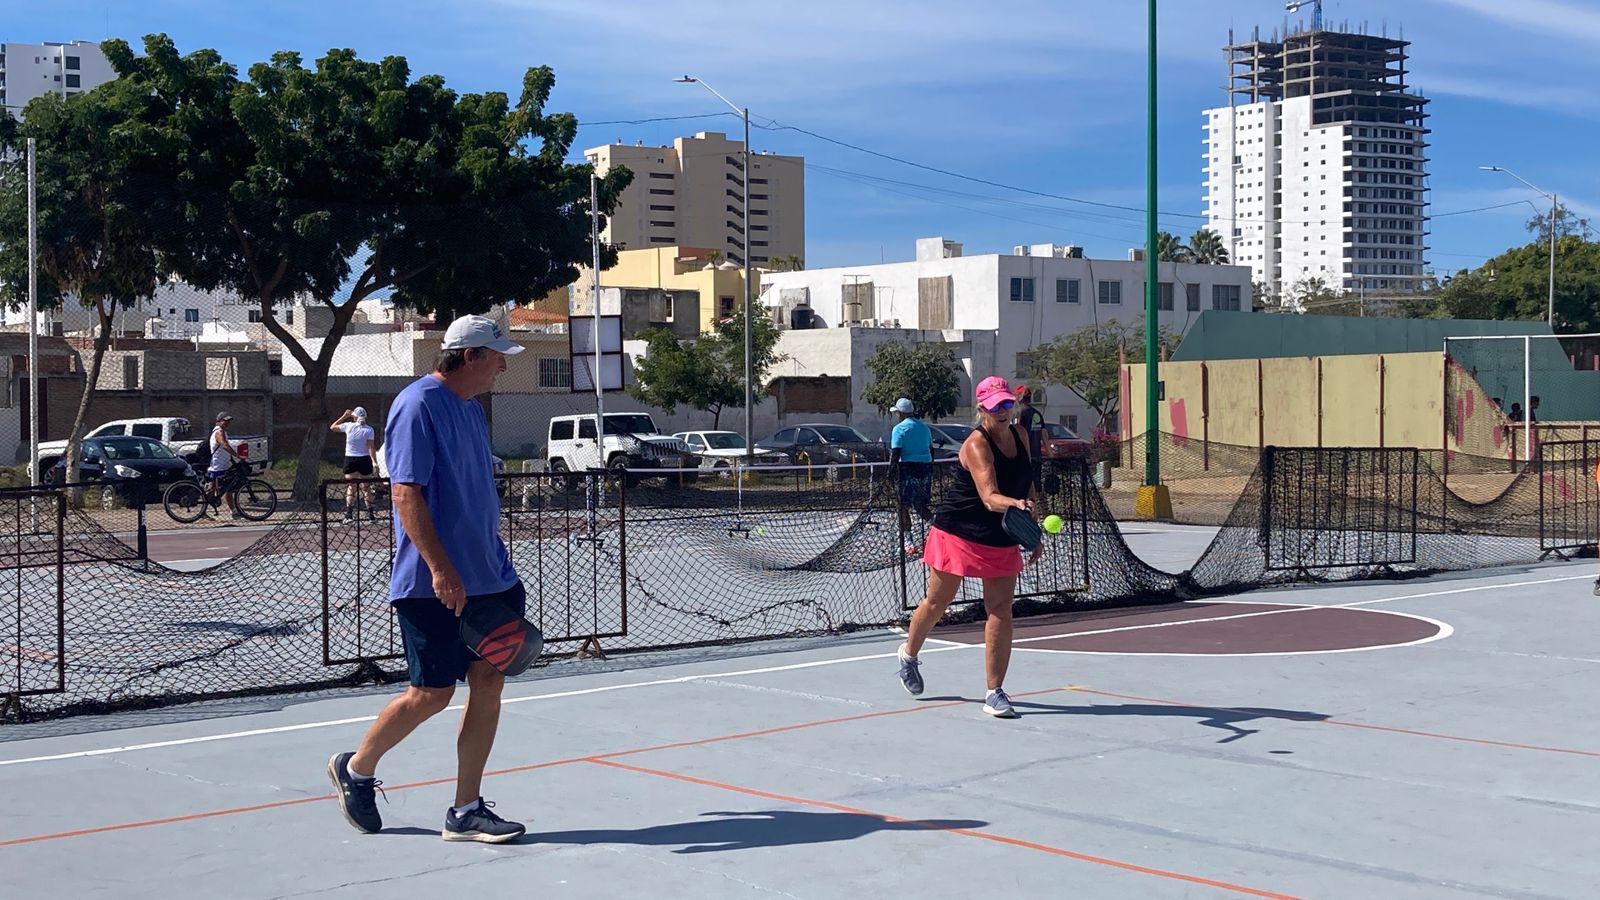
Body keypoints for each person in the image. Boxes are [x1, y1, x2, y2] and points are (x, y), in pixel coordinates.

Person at [328, 314, 528, 843]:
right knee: (432, 693)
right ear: (469, 357)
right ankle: (356, 769)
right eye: (496, 356)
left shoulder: (470, 410)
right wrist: (441, 569)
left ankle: (465, 810)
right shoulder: (416, 405)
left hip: (491, 576)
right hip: (431, 583)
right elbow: (404, 494)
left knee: (489, 681)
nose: (502, 366)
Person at [896, 376, 1041, 719]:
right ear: (982, 410)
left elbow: (1027, 482)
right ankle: (908, 655)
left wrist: (1033, 530)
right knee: (937, 602)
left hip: (1001, 534)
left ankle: (994, 692)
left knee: (1001, 609)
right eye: (996, 407)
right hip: (958, 532)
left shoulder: (1021, 435)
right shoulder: (977, 445)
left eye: (1008, 404)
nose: (1004, 411)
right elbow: (990, 498)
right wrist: (1019, 506)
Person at [889, 397, 934, 539]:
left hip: (907, 469)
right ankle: (937, 528)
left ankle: (907, 541)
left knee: (903, 505)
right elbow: (931, 451)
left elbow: (896, 453)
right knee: (920, 504)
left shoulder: (899, 429)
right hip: (925, 468)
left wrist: (890, 474)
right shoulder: (924, 427)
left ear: (900, 413)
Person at [331, 406, 378, 521]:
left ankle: (349, 514)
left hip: (351, 459)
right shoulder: (369, 429)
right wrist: (374, 462)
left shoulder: (349, 426)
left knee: (351, 487)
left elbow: (332, 427)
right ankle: (371, 515)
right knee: (366, 488)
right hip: (364, 459)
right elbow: (371, 447)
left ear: (354, 417)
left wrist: (344, 416)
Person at [206, 412, 242, 520]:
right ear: (219, 421)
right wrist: (236, 455)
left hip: (224, 464)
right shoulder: (219, 432)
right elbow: (224, 445)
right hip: (218, 465)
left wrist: (231, 459)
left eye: (228, 421)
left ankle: (233, 511)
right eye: (225, 421)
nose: (227, 423)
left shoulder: (222, 431)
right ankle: (203, 508)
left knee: (227, 487)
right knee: (220, 489)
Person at [1014, 385, 1045, 486]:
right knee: (1035, 486)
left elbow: (1018, 433)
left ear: (1019, 397)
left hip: (1023, 457)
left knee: (1022, 488)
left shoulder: (1019, 413)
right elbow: (1043, 434)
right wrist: (1050, 454)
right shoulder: (1037, 413)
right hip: (1036, 456)